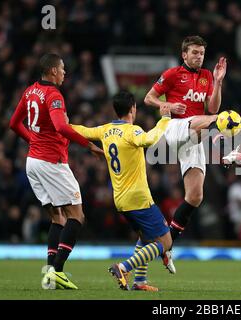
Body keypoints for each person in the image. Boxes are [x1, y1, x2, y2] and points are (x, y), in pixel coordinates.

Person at [144, 35, 241, 269]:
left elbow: (212, 108)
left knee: (195, 196)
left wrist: (218, 81)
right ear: (184, 54)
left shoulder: (206, 77)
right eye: (194, 52)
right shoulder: (172, 74)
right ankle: (227, 150)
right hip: (174, 128)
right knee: (220, 120)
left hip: (195, 134)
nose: (198, 56)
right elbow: (148, 98)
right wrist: (169, 106)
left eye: (201, 53)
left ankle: (166, 246)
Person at [9, 53, 104, 290]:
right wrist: (89, 145)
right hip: (52, 162)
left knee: (57, 217)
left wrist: (33, 141)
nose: (64, 73)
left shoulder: (30, 91)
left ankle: (50, 276)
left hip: (33, 161)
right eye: (62, 69)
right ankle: (57, 271)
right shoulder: (53, 95)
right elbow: (61, 126)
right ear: (52, 71)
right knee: (77, 215)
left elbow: (13, 123)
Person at [71, 90, 172, 291]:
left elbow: (81, 130)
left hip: (120, 199)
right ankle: (123, 267)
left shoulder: (104, 130)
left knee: (145, 237)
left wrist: (63, 123)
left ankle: (140, 282)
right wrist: (165, 119)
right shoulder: (132, 132)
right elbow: (150, 139)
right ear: (132, 108)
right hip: (138, 197)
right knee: (165, 242)